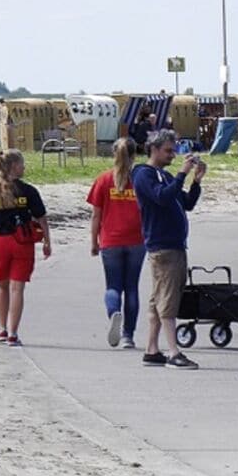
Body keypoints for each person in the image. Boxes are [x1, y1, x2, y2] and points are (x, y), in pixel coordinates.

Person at [132, 128, 204, 369]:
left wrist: (196, 181)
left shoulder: (163, 175)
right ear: (153, 149)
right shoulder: (144, 175)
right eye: (168, 151)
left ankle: (152, 350)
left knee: (158, 300)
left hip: (173, 245)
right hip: (163, 246)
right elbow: (162, 198)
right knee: (168, 301)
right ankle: (173, 351)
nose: (172, 155)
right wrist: (182, 175)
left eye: (174, 151)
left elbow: (186, 203)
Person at [0, 149, 52, 346]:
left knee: (2, 286)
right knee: (17, 288)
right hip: (22, 242)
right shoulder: (28, 191)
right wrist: (47, 242)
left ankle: (2, 329)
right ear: (14, 167)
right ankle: (13, 333)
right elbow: (41, 218)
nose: (24, 167)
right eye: (21, 163)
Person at [87, 138, 145, 349]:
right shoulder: (140, 179)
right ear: (134, 156)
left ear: (114, 155)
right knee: (131, 287)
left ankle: (114, 313)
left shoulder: (103, 180)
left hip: (110, 240)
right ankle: (128, 335)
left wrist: (94, 241)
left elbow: (96, 216)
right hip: (137, 240)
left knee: (113, 286)